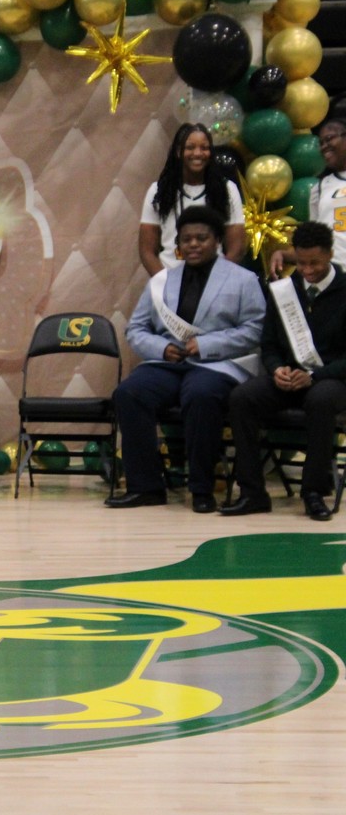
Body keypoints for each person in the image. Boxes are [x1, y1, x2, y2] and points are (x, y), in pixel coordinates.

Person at [107, 205, 265, 513]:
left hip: (218, 365)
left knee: (201, 395)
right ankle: (146, 487)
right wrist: (160, 349)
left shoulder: (243, 280)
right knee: (129, 393)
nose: (193, 244)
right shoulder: (162, 281)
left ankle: (201, 489)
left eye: (201, 238)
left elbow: (254, 330)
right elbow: (136, 329)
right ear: (177, 244)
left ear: (217, 240)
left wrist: (206, 345)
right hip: (168, 362)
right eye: (186, 239)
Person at [221, 221, 346, 521]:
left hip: (333, 380)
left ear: (330, 255)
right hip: (289, 378)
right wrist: (277, 369)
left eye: (314, 262)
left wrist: (315, 376)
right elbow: (270, 343)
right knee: (242, 398)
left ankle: (314, 493)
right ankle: (252, 493)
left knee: (320, 401)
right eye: (301, 263)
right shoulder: (285, 291)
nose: (307, 270)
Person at [139, 123, 246, 275]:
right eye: (190, 147)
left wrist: (217, 281)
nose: (197, 153)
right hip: (169, 279)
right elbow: (147, 251)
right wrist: (164, 284)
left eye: (204, 148)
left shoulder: (227, 189)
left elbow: (237, 248)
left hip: (214, 280)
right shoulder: (158, 191)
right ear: (178, 152)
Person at [306, 117, 346, 269]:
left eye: (329, 139)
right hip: (335, 277)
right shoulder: (320, 187)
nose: (324, 147)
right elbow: (313, 238)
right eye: (321, 143)